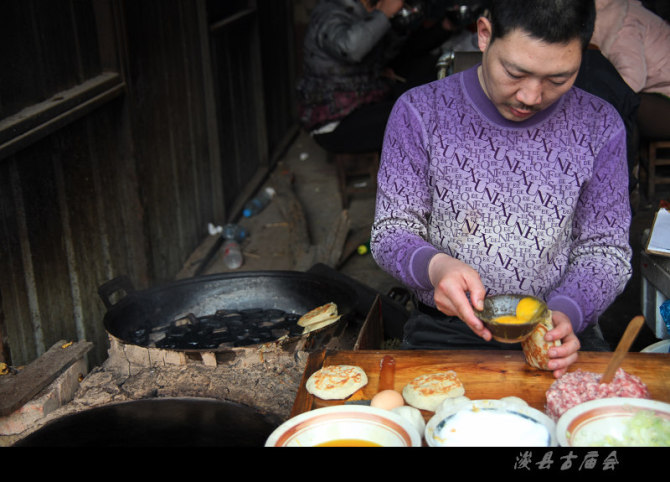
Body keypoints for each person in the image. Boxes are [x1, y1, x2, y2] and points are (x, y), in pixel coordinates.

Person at [370, 0, 633, 378]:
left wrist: (569, 311)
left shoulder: (599, 125)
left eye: (558, 79)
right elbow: (390, 231)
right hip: (446, 329)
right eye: (515, 72)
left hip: (557, 329)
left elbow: (606, 249)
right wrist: (435, 266)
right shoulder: (420, 112)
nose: (530, 96)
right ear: (484, 34)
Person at [297, 0, 451, 154]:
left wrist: (397, 24)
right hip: (335, 123)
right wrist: (383, 14)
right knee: (423, 117)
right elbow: (350, 48)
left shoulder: (367, 10)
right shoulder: (329, 11)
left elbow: (388, 55)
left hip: (366, 102)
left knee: (429, 89)